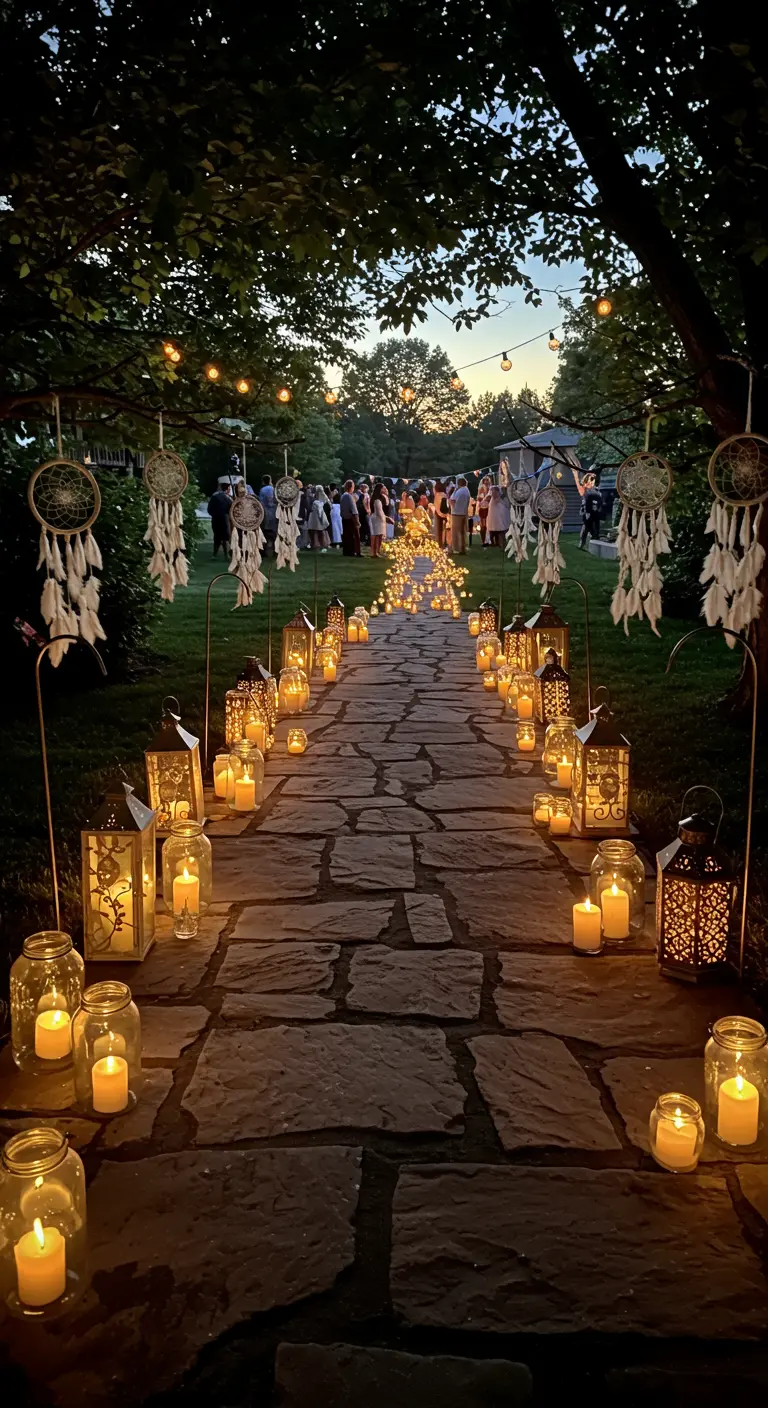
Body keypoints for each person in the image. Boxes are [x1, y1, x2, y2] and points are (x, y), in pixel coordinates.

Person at [571, 467, 603, 549]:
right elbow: (586, 501)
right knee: (586, 527)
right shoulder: (585, 490)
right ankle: (582, 543)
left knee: (595, 527)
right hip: (588, 511)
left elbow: (599, 500)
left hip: (595, 511)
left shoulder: (596, 490)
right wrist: (587, 512)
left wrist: (599, 508)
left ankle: (593, 540)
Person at [207, 483, 232, 556]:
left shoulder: (214, 497)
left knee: (216, 536)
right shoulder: (228, 498)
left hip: (215, 518)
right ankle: (226, 555)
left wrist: (213, 514)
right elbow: (231, 509)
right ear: (227, 489)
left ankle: (214, 554)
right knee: (224, 537)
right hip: (224, 519)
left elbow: (209, 509)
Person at [448, 476, 471, 554]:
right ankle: (463, 547)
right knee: (462, 532)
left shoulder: (459, 491)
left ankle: (456, 548)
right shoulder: (466, 490)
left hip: (456, 513)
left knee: (456, 532)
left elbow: (452, 500)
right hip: (463, 512)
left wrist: (451, 504)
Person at [340, 478, 361, 556]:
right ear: (351, 487)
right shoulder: (349, 496)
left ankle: (347, 551)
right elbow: (353, 509)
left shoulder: (343, 496)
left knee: (347, 535)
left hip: (344, 518)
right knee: (355, 536)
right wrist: (357, 520)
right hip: (351, 518)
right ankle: (355, 551)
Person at [308, 485, 331, 550]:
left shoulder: (315, 500)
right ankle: (322, 544)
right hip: (319, 517)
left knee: (315, 531)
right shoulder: (320, 500)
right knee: (321, 531)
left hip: (314, 517)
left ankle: (316, 544)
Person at [259, 475, 277, 552]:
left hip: (265, 512)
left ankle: (264, 549)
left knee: (265, 531)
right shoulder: (273, 489)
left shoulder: (262, 490)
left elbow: (261, 502)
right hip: (273, 511)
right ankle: (275, 548)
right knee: (274, 531)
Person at [369, 483, 387, 557]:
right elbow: (379, 511)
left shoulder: (380, 498)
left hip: (378, 517)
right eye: (383, 488)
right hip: (377, 518)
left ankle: (378, 551)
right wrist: (384, 519)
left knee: (379, 535)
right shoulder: (377, 500)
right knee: (377, 535)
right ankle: (374, 552)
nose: (384, 489)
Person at [432, 478, 449, 547]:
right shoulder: (445, 495)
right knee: (445, 529)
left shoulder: (437, 495)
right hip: (445, 514)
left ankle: (440, 543)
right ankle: (445, 542)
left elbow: (436, 505)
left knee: (439, 529)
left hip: (438, 514)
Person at [476, 475, 492, 546]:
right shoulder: (481, 488)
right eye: (485, 481)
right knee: (483, 525)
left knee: (488, 525)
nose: (486, 482)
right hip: (482, 508)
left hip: (489, 507)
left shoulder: (490, 488)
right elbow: (479, 498)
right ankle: (484, 540)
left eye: (487, 480)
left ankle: (488, 540)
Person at [356, 481, 371, 546]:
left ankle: (364, 539)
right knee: (365, 526)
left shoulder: (362, 495)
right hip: (365, 512)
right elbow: (366, 504)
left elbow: (365, 504)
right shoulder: (365, 495)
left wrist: (367, 510)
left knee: (364, 526)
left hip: (362, 512)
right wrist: (368, 511)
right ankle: (366, 539)